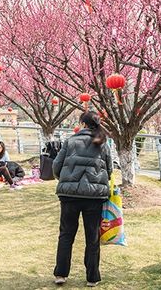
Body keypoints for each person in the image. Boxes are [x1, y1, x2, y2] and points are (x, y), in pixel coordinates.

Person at [52, 111, 112, 287]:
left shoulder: (70, 141)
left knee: (66, 234)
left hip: (69, 195)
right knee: (92, 236)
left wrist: (64, 179)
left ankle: (61, 274)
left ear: (83, 124)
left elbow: (56, 166)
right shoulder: (103, 143)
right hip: (94, 196)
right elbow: (109, 170)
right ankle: (92, 277)